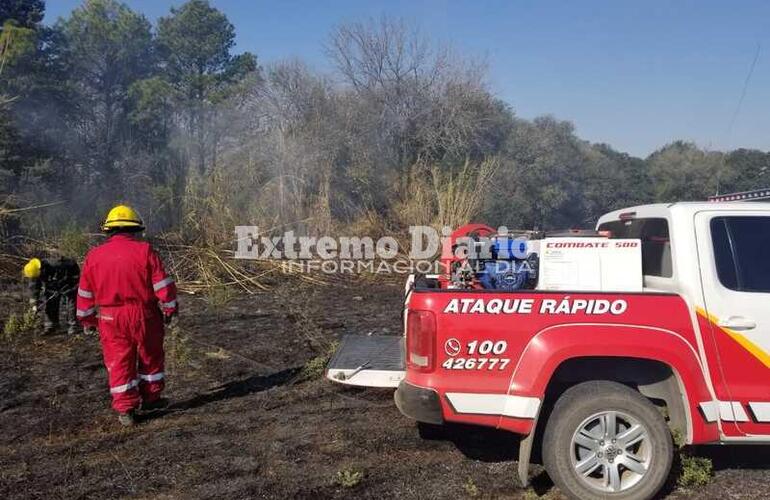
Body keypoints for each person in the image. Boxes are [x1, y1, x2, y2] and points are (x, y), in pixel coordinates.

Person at [76, 204, 178, 426]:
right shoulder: (146, 251)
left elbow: (84, 293)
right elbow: (163, 285)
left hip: (110, 318)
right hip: (145, 314)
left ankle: (125, 410)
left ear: (108, 230)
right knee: (150, 356)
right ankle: (151, 398)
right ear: (136, 229)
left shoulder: (94, 256)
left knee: (118, 361)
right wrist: (170, 308)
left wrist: (87, 320)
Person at [23, 256, 80, 335]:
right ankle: (51, 326)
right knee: (50, 302)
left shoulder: (56, 264)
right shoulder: (33, 271)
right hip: (53, 282)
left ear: (41, 270)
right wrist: (34, 304)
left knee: (71, 302)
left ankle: (73, 325)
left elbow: (72, 270)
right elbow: (34, 288)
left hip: (70, 278)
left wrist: (67, 284)